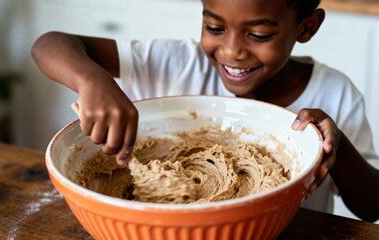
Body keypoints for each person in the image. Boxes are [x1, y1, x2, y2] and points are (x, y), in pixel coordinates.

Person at [31, 0, 379, 222]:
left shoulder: (336, 95)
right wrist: (92, 80)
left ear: (307, 27)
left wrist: (338, 148)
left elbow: (372, 207)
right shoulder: (173, 64)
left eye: (258, 34)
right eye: (214, 28)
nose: (231, 50)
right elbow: (48, 44)